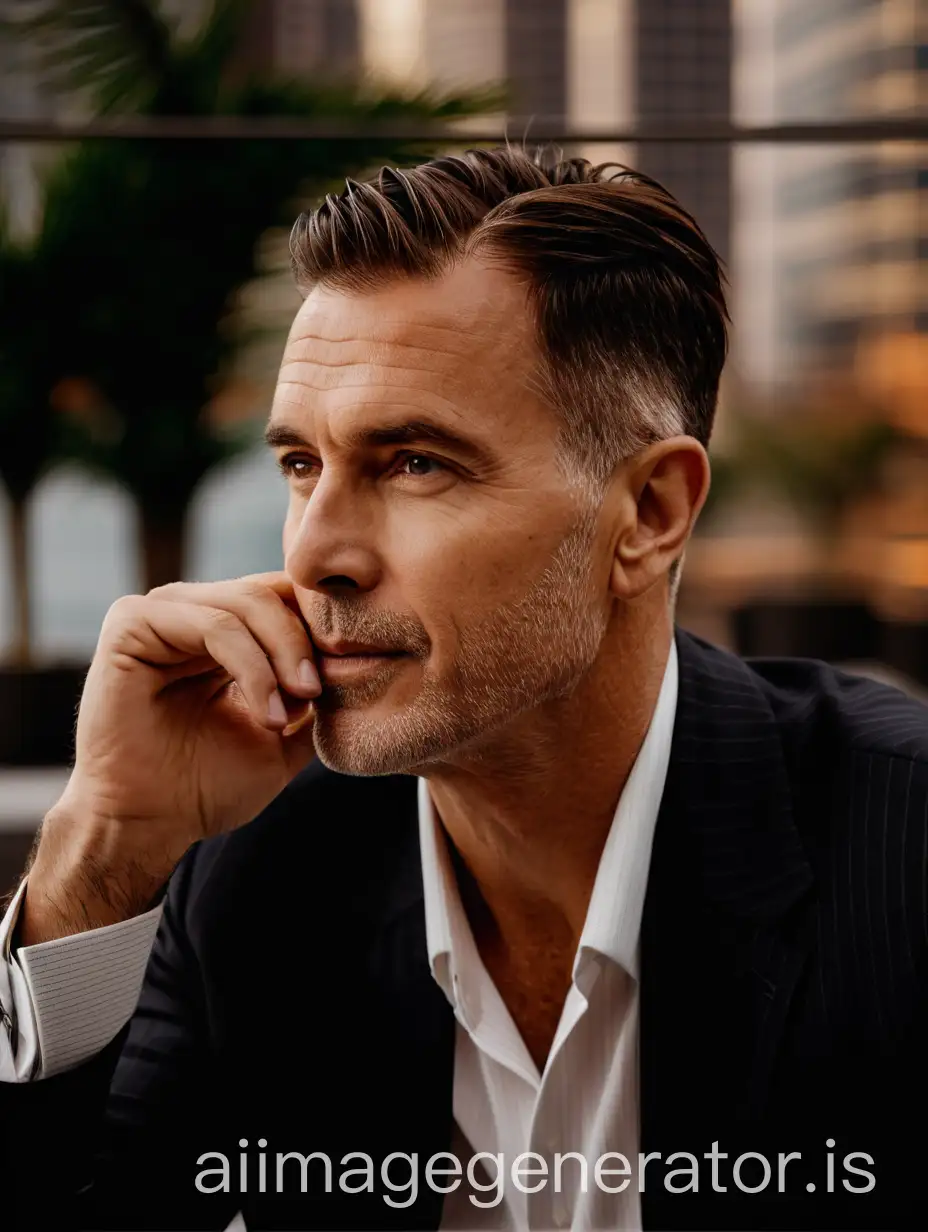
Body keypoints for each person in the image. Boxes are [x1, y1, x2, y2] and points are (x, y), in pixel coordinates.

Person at [1, 145, 926, 1232]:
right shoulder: (257, 866)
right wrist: (104, 847)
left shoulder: (899, 853)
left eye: (415, 462)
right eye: (301, 464)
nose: (315, 555)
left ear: (649, 512)